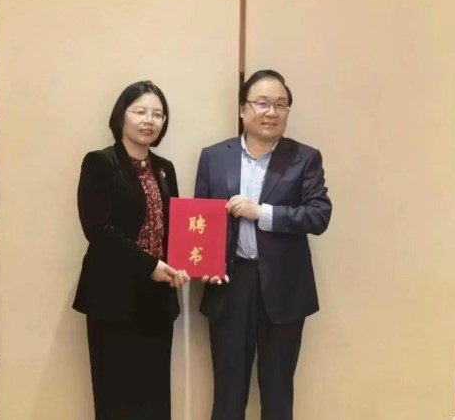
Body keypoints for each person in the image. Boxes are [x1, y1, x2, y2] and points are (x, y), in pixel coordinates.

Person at [194, 69, 332, 420]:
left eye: (281, 105)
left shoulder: (305, 158)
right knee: (227, 395)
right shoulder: (214, 156)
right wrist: (205, 265)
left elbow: (318, 216)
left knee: (277, 393)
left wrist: (262, 212)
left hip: (285, 290)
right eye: (263, 103)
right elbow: (201, 220)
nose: (272, 112)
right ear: (243, 109)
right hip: (230, 286)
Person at [73, 80, 190, 420]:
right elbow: (98, 230)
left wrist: (182, 263)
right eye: (140, 111)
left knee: (154, 398)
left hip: (157, 299)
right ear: (121, 116)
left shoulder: (165, 168)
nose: (149, 120)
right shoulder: (100, 163)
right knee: (116, 398)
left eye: (157, 114)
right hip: (113, 297)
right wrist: (150, 265)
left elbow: (175, 228)